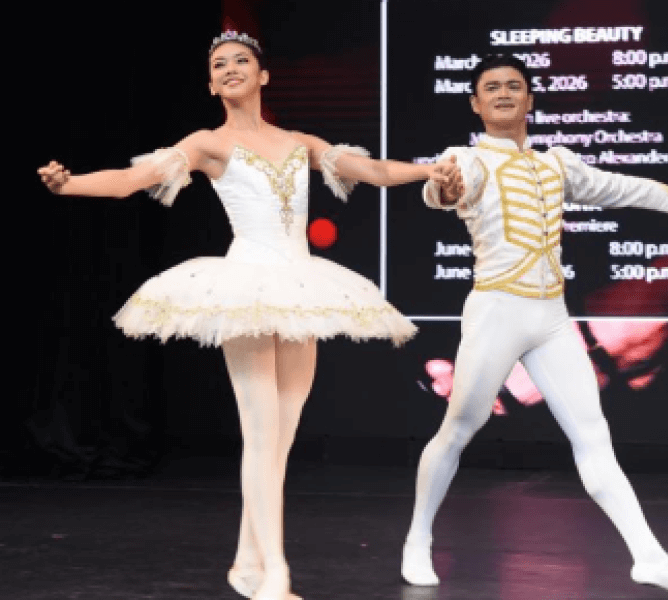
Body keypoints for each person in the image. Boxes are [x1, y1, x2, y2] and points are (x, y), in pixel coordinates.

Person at [38, 31, 457, 600]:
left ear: (262, 77)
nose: (231, 68)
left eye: (242, 61)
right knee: (261, 438)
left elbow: (373, 170)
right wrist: (70, 186)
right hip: (247, 287)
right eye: (219, 65)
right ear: (211, 84)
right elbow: (132, 182)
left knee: (279, 440)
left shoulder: (298, 141)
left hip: (301, 284)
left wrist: (428, 172)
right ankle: (275, 576)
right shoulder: (208, 143)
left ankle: (245, 563)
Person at [401, 54, 668, 600]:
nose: (502, 94)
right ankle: (417, 540)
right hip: (496, 312)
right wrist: (442, 188)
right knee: (459, 429)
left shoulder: (556, 164)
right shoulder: (463, 160)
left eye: (513, 86)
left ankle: (650, 557)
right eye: (490, 87)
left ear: (529, 99)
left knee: (594, 440)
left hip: (552, 318)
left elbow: (625, 186)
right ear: (475, 102)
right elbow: (442, 192)